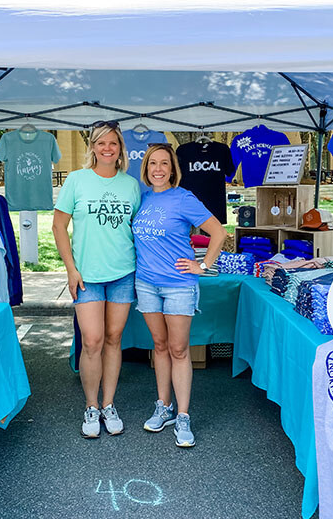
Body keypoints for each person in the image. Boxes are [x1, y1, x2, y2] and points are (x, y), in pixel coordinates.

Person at [132, 143, 227, 447]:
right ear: (146, 169)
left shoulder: (184, 198)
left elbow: (218, 232)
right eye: (152, 164)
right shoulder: (143, 199)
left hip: (178, 285)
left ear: (173, 169)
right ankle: (164, 407)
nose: (158, 169)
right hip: (146, 283)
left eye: (164, 164)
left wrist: (204, 265)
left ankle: (183, 415)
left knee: (179, 349)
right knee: (159, 346)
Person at [52, 121, 141, 438]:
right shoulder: (76, 181)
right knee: (92, 341)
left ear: (120, 149)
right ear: (92, 147)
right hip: (86, 276)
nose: (107, 149)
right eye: (101, 143)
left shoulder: (130, 185)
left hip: (122, 273)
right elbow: (59, 227)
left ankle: (108, 404)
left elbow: (136, 229)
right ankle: (91, 406)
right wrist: (70, 269)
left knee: (114, 340)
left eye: (113, 143)